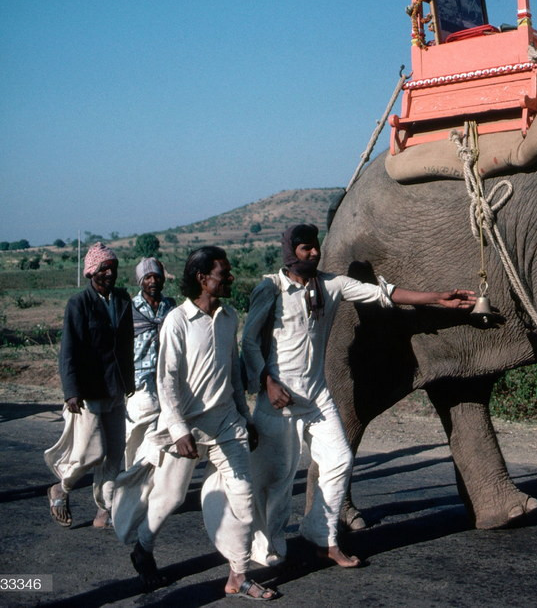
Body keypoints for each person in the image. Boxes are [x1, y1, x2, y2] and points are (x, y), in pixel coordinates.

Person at [241, 224, 475, 569]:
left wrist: (437, 298)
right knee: (274, 481)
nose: (315, 253)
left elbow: (383, 293)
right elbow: (248, 341)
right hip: (278, 399)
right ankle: (266, 551)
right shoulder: (270, 288)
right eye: (306, 248)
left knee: (339, 460)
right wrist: (267, 381)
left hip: (317, 396)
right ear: (291, 253)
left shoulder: (331, 285)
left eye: (316, 247)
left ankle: (323, 536)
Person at [117, 246, 276, 600]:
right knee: (170, 498)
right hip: (185, 426)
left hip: (226, 425)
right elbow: (166, 381)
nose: (230, 277)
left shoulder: (229, 316)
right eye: (224, 272)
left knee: (245, 499)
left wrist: (245, 417)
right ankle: (143, 548)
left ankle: (239, 575)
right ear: (204, 279)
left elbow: (233, 373)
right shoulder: (177, 321)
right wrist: (178, 430)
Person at [44, 242, 134, 529]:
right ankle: (62, 488)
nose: (109, 273)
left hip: (116, 388)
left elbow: (127, 344)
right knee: (90, 452)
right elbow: (68, 351)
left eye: (113, 268)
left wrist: (128, 381)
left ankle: (104, 510)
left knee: (115, 454)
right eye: (103, 268)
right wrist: (71, 391)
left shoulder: (122, 300)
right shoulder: (78, 304)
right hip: (89, 390)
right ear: (91, 271)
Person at [125, 257, 176, 467]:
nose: (153, 281)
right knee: (136, 433)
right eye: (148, 277)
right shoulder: (131, 309)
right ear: (140, 281)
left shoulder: (170, 307)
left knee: (160, 434)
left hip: (166, 378)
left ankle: (151, 482)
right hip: (139, 380)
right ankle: (132, 478)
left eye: (157, 276)